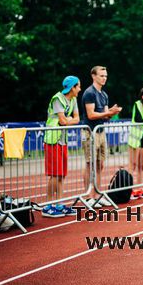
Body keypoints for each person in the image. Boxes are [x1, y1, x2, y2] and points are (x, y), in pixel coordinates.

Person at [82, 66, 121, 207]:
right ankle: (88, 197)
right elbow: (91, 115)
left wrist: (112, 112)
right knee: (89, 164)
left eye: (105, 76)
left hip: (101, 131)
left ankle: (97, 194)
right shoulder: (89, 93)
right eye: (101, 75)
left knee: (100, 164)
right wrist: (108, 113)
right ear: (93, 76)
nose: (104, 78)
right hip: (90, 132)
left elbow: (105, 117)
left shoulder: (104, 95)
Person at [42, 76, 81, 218]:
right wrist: (67, 120)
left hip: (62, 140)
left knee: (62, 174)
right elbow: (63, 121)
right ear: (72, 88)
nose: (80, 89)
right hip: (53, 140)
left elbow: (76, 119)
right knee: (54, 173)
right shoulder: (57, 98)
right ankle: (47, 205)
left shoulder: (74, 100)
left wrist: (67, 120)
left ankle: (59, 203)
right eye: (78, 86)